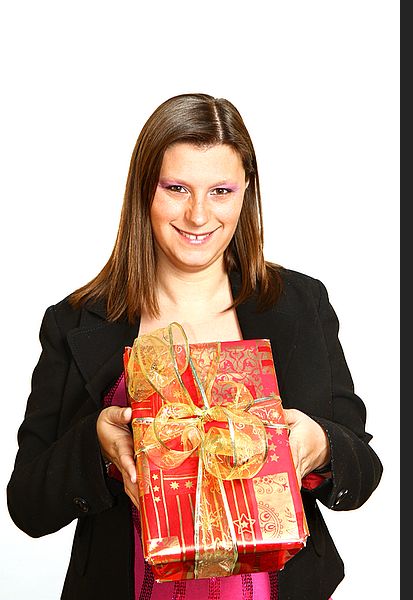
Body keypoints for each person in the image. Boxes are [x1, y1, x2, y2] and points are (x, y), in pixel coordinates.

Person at [7, 93, 382, 600]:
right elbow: (27, 505)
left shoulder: (299, 303)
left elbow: (362, 462)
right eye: (177, 187)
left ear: (246, 193)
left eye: (221, 191)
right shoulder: (75, 320)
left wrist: (321, 446)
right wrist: (97, 449)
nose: (199, 214)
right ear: (145, 190)